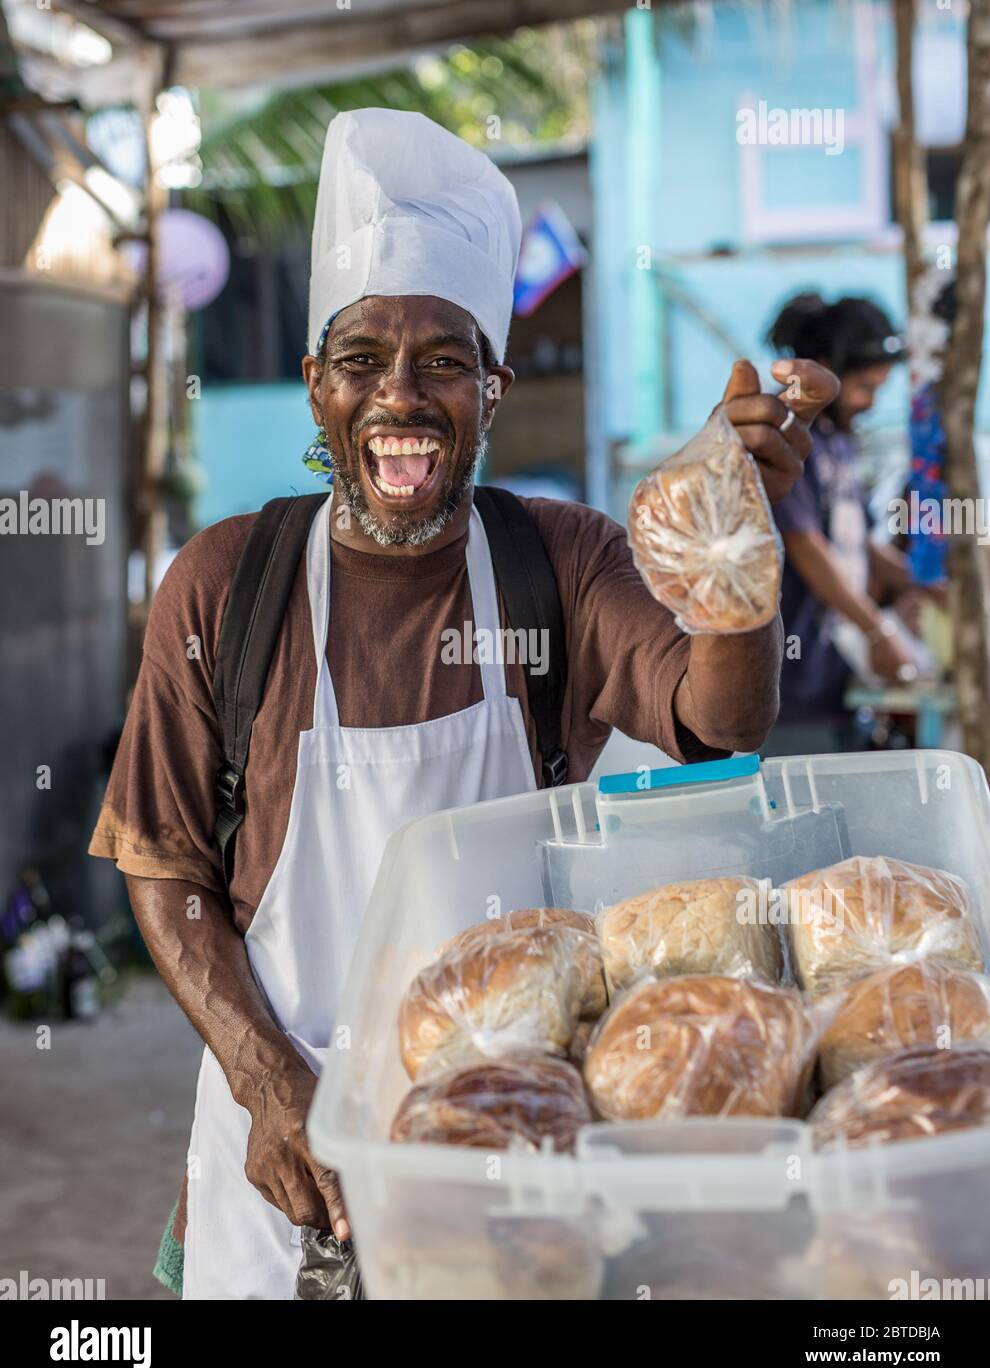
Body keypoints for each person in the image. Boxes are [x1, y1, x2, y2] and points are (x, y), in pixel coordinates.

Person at [89, 108, 837, 1300]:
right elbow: (162, 863)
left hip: (509, 1141)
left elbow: (721, 722)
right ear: (314, 388)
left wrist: (731, 555)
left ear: (492, 388)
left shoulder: (562, 560)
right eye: (362, 359)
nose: (402, 395)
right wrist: (272, 1083)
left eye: (445, 360)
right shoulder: (226, 585)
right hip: (279, 1151)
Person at [762, 293, 918, 755]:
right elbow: (807, 545)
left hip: (837, 676)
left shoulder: (840, 442)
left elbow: (859, 543)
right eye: (864, 388)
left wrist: (925, 583)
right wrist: (877, 630)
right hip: (793, 683)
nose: (870, 403)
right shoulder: (787, 435)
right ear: (826, 368)